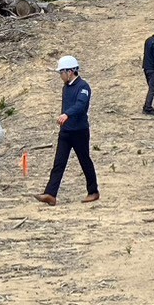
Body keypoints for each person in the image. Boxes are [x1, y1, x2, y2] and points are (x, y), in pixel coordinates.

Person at [36, 55, 99, 205]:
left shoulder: (83, 87)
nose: (60, 75)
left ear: (70, 72)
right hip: (66, 131)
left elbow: (80, 105)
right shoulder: (66, 87)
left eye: (62, 72)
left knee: (84, 160)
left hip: (79, 131)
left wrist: (67, 114)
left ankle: (93, 191)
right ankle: (50, 194)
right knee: (59, 162)